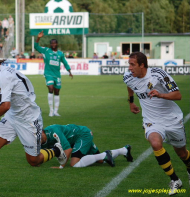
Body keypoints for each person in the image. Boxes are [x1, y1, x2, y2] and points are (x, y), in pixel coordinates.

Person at [0, 46, 67, 197]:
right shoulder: (3, 71)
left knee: (34, 161)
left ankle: (57, 150)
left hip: (28, 119)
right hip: (13, 116)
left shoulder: (4, 77)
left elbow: (5, 106)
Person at [123, 52, 190, 196]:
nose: (129, 68)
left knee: (182, 153)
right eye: (128, 64)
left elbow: (178, 95)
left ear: (142, 65)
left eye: (132, 64)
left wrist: (161, 95)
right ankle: (175, 180)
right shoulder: (128, 77)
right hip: (151, 120)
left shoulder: (159, 75)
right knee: (155, 143)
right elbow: (129, 85)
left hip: (172, 119)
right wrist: (131, 102)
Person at [41, 124, 133, 168]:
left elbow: (68, 149)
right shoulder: (40, 141)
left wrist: (61, 166)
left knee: (74, 164)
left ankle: (106, 155)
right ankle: (124, 150)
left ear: (42, 131)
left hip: (82, 135)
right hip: (77, 138)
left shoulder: (54, 131)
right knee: (100, 161)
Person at [34, 31, 73, 117]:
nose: (53, 45)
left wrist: (69, 71)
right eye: (52, 43)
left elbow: (65, 62)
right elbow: (36, 46)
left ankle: (56, 111)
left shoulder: (60, 54)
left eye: (54, 43)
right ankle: (51, 111)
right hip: (48, 74)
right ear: (50, 44)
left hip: (57, 75)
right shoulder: (46, 51)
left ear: (57, 44)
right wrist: (38, 38)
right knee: (50, 88)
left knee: (57, 92)